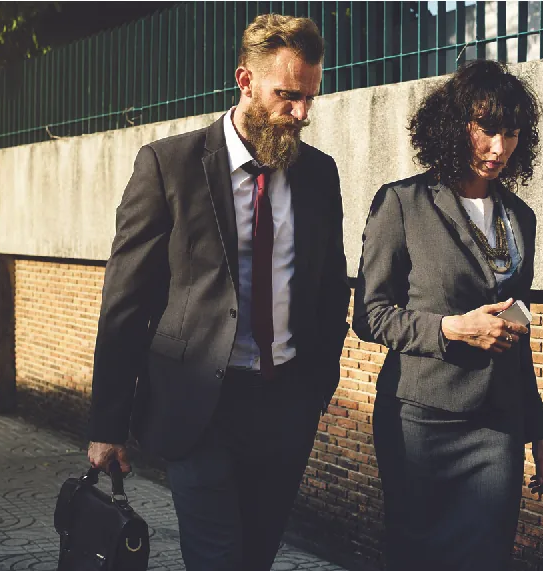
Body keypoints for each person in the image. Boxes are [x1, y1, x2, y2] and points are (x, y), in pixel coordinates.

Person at [86, 14, 350, 571]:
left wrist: (315, 390)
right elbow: (126, 302)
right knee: (217, 558)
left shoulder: (319, 175)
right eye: (287, 96)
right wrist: (108, 426)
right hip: (199, 407)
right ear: (245, 81)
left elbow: (329, 289)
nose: (301, 113)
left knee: (257, 555)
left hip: (285, 405)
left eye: (309, 98)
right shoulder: (169, 166)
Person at [352, 60, 543, 571]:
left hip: (498, 425)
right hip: (421, 419)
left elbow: (519, 329)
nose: (499, 148)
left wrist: (538, 429)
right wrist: (451, 329)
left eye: (512, 133)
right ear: (454, 125)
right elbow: (370, 315)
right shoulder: (402, 203)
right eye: (487, 129)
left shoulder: (521, 217)